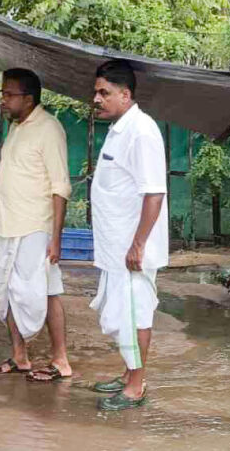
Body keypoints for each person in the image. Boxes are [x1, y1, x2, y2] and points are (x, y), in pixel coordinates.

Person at [89, 59, 168, 411]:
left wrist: (138, 245)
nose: (97, 98)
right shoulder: (122, 127)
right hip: (116, 246)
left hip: (132, 250)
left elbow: (154, 193)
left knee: (136, 315)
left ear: (126, 94)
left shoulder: (142, 131)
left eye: (104, 92)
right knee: (122, 313)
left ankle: (136, 387)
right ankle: (127, 374)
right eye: (96, 92)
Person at [0, 68, 74, 382]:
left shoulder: (49, 128)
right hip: (9, 227)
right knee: (9, 290)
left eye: (9, 95)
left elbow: (60, 186)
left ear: (28, 98)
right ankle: (19, 357)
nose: (3, 100)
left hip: (36, 227)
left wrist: (56, 237)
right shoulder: (16, 127)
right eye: (2, 94)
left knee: (47, 291)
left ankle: (60, 360)